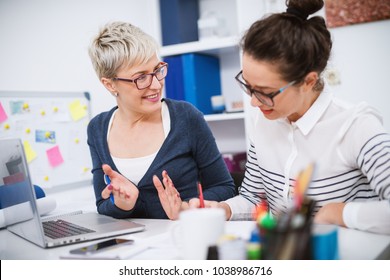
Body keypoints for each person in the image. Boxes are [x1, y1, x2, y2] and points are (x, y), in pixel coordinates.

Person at [156, 0, 390, 234]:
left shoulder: (355, 126)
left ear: (308, 81)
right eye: (248, 86)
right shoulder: (265, 120)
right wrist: (221, 209)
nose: (254, 102)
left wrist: (338, 213)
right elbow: (253, 199)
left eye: (266, 93)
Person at [87, 21, 236, 219]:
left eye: (158, 70)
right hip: (130, 247)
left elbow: (224, 187)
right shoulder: (97, 128)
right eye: (141, 78)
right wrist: (122, 204)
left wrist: (187, 208)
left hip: (183, 239)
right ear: (109, 84)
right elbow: (102, 205)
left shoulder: (186, 117)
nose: (157, 85)